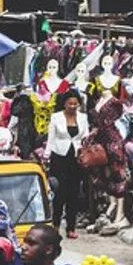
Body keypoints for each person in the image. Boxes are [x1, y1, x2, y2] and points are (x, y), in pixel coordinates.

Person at [46, 91, 90, 239]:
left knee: (74, 192)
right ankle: (56, 225)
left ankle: (71, 227)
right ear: (64, 104)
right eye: (69, 104)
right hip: (59, 157)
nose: (72, 106)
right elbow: (51, 138)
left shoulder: (83, 118)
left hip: (76, 158)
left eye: (75, 104)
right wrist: (46, 155)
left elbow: (86, 137)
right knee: (59, 192)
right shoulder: (56, 117)